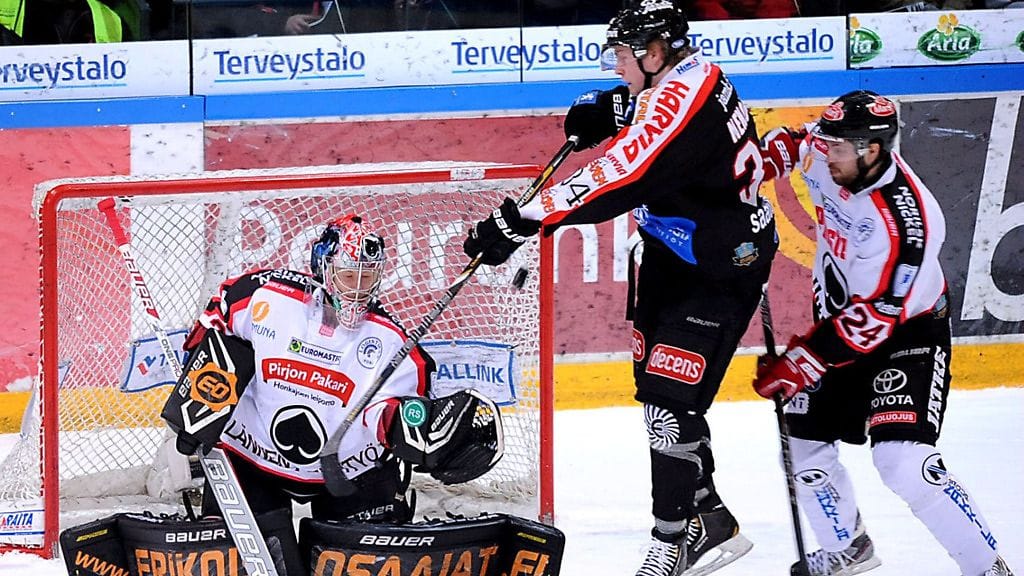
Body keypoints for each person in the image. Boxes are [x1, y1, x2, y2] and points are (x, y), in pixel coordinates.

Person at [462, 2, 778, 575]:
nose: (616, 66)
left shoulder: (681, 98)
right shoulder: (686, 76)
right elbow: (647, 116)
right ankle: (706, 515)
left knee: (667, 403)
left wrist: (523, 220)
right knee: (659, 400)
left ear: (655, 53)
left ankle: (673, 537)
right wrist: (613, 108)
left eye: (624, 56)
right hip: (668, 254)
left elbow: (621, 176)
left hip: (718, 267)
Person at [752, 90, 1015, 576]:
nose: (824, 152)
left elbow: (874, 320)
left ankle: (986, 567)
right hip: (838, 330)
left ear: (872, 150)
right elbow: (791, 143)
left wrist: (800, 362)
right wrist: (760, 163)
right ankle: (846, 545)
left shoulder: (906, 222)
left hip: (906, 337)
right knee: (801, 440)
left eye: (838, 147)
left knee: (903, 461)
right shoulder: (831, 153)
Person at [163, 214, 504, 528]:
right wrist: (199, 396)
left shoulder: (395, 345)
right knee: (233, 558)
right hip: (251, 457)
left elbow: (391, 414)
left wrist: (407, 428)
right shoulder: (264, 297)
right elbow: (212, 325)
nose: (356, 288)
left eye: (366, 277)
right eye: (347, 275)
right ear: (324, 268)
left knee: (366, 556)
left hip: (350, 471)